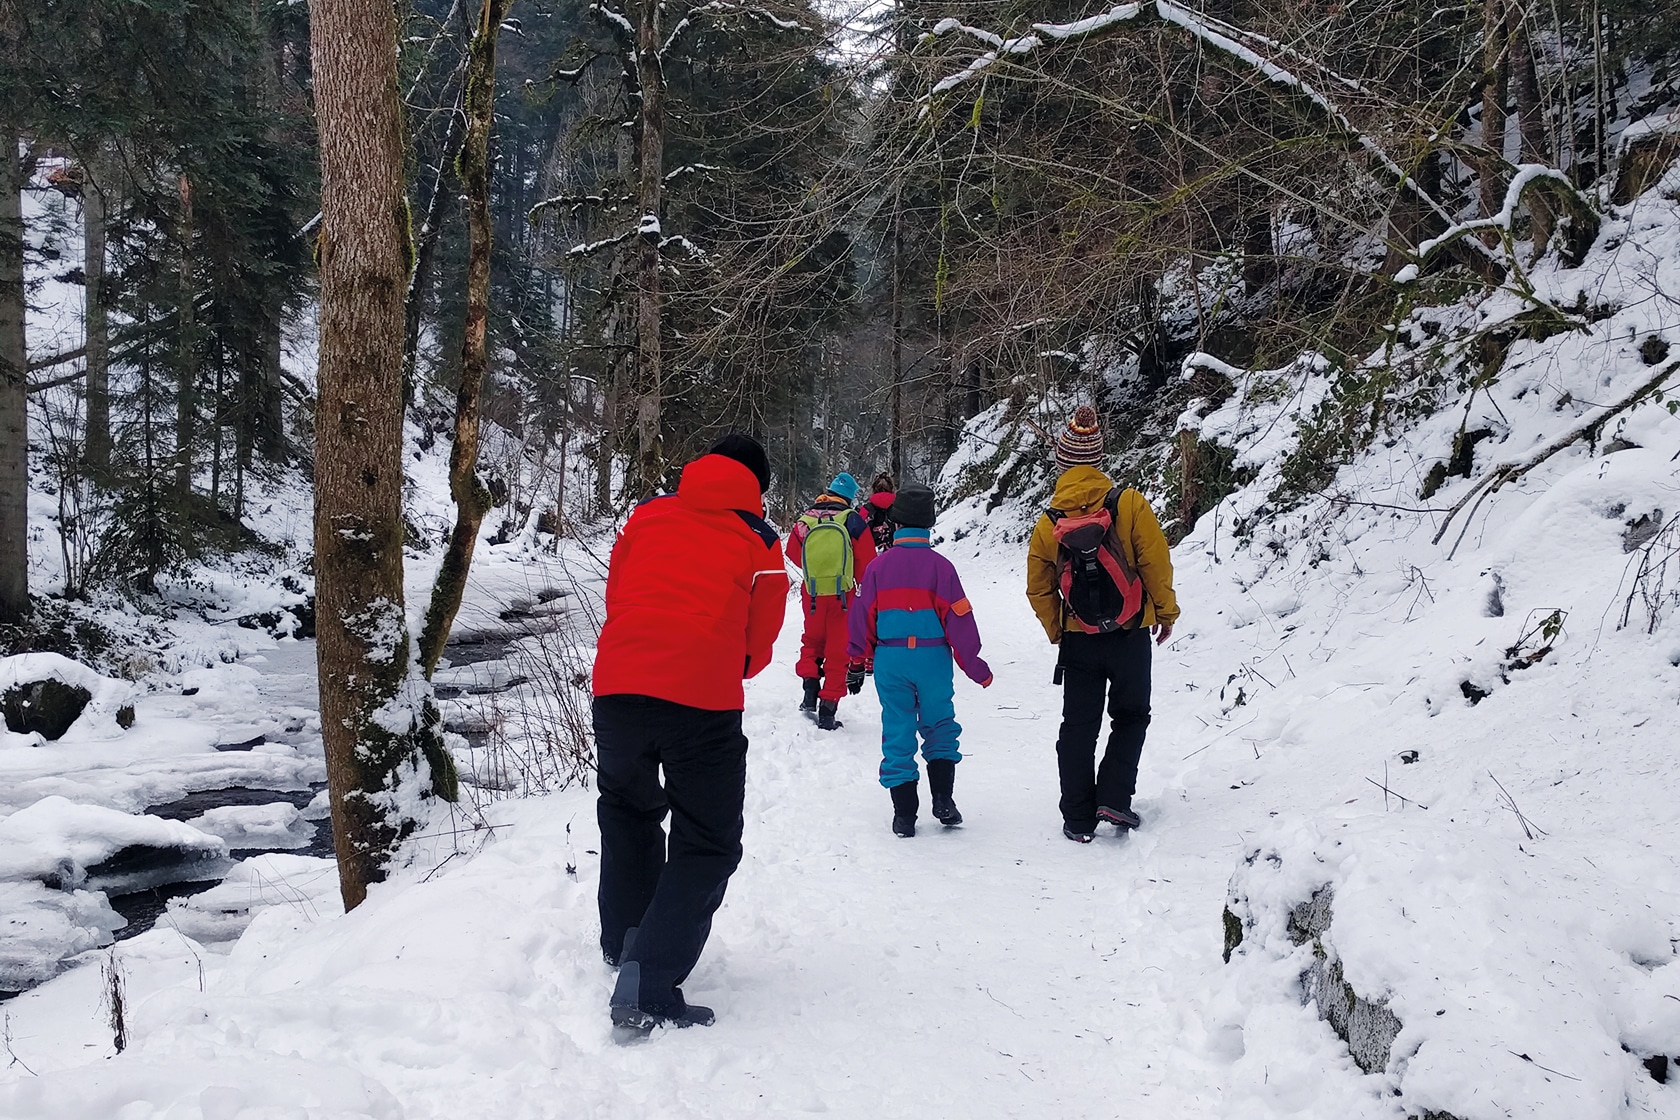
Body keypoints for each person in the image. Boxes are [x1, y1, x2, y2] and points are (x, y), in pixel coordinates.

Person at [593, 433, 789, 1031]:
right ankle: (648, 983)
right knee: (707, 840)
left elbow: (618, 594)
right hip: (701, 700)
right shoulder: (760, 541)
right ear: (757, 485)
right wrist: (723, 665)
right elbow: (760, 640)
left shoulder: (646, 516)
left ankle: (626, 939)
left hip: (618, 685)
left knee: (627, 808)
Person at [1026, 405, 1180, 844]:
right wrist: (1165, 612)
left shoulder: (1049, 522)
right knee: (1131, 716)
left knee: (1078, 726)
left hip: (1079, 640)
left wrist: (1061, 630)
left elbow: (1038, 586)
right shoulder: (1128, 503)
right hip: (1130, 634)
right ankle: (1113, 795)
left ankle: (1077, 817)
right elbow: (1155, 562)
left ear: (1062, 463)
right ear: (1098, 458)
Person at [847, 483, 992, 837]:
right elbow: (959, 617)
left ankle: (904, 817)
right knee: (940, 724)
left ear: (896, 524)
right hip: (932, 657)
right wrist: (975, 666)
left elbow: (861, 616)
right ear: (929, 524)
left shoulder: (878, 569)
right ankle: (943, 799)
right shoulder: (942, 568)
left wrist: (856, 661)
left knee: (897, 729)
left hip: (890, 657)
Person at [786, 472, 876, 730]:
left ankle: (809, 692)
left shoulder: (805, 520)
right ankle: (828, 708)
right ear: (849, 497)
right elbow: (867, 561)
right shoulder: (853, 521)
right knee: (839, 650)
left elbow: (793, 554)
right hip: (842, 595)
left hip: (812, 592)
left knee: (812, 640)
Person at [864, 472, 897, 551]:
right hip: (895, 557)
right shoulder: (900, 510)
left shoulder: (865, 510)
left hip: (871, 558)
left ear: (873, 490)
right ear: (892, 490)